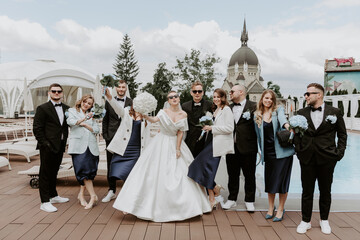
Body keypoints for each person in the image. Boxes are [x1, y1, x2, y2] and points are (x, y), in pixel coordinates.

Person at [112, 91, 211, 222]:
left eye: (176, 96)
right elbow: (154, 120)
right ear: (168, 100)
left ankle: (187, 207)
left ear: (179, 98)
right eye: (171, 97)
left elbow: (181, 132)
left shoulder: (183, 114)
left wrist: (178, 148)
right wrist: (144, 115)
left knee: (181, 174)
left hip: (175, 143)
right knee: (152, 173)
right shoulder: (163, 112)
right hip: (161, 142)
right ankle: (137, 205)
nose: (174, 98)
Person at [295, 83, 347, 235]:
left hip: (327, 158)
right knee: (307, 191)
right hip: (307, 158)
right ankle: (305, 221)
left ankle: (324, 220)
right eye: (306, 93)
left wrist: (339, 153)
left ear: (319, 95)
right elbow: (297, 135)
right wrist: (299, 151)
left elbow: (342, 134)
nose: (306, 96)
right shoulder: (301, 112)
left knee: (325, 191)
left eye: (309, 93)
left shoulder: (335, 112)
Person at [188, 88, 234, 208]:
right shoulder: (216, 109)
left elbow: (230, 128)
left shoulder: (227, 109)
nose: (216, 99)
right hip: (210, 142)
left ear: (223, 98)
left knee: (204, 168)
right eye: (214, 97)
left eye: (218, 97)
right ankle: (215, 189)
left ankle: (212, 197)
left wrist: (211, 128)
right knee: (199, 167)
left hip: (218, 144)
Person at [254, 90, 295, 221]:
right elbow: (259, 137)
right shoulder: (257, 115)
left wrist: (288, 126)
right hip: (269, 154)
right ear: (262, 99)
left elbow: (283, 120)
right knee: (270, 182)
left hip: (283, 153)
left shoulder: (279, 110)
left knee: (282, 183)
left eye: (271, 99)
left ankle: (281, 209)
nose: (269, 101)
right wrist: (261, 153)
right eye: (266, 98)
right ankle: (271, 208)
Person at [33, 83, 70, 213]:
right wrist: (45, 144)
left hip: (60, 145)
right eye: (53, 91)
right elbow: (37, 128)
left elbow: (67, 126)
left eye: (59, 91)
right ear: (49, 93)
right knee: (45, 173)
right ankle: (44, 202)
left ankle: (53, 196)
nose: (56, 93)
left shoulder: (67, 108)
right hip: (47, 146)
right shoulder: (42, 108)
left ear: (62, 93)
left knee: (54, 171)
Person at [103, 88, 148, 191]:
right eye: (136, 102)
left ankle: (130, 195)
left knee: (131, 174)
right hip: (124, 148)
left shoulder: (145, 116)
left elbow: (147, 133)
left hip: (136, 149)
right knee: (116, 170)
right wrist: (109, 97)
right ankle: (112, 191)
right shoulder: (126, 112)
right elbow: (116, 107)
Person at [222, 84, 258, 212]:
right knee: (232, 174)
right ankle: (232, 199)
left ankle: (249, 200)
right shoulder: (227, 108)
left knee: (249, 175)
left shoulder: (254, 106)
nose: (230, 93)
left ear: (241, 92)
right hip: (231, 146)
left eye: (232, 91)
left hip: (248, 146)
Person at [66, 95, 100, 209]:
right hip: (78, 147)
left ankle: (81, 195)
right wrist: (84, 119)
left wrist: (86, 124)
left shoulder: (93, 115)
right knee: (83, 171)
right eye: (85, 102)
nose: (86, 104)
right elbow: (71, 122)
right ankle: (93, 196)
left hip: (91, 147)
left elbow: (96, 130)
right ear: (81, 101)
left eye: (89, 103)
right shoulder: (72, 111)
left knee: (89, 172)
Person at [102, 80, 133, 203]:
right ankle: (111, 190)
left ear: (126, 88)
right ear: (116, 88)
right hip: (111, 136)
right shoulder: (109, 100)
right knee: (110, 163)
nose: (121, 89)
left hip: (126, 137)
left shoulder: (131, 102)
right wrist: (105, 135)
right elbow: (105, 119)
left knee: (126, 163)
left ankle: (127, 190)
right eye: (119, 87)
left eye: (123, 87)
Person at [182, 81, 212, 157]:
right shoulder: (185, 106)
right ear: (191, 93)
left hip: (204, 140)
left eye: (199, 91)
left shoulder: (209, 105)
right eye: (195, 91)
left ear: (203, 92)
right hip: (189, 139)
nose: (197, 93)